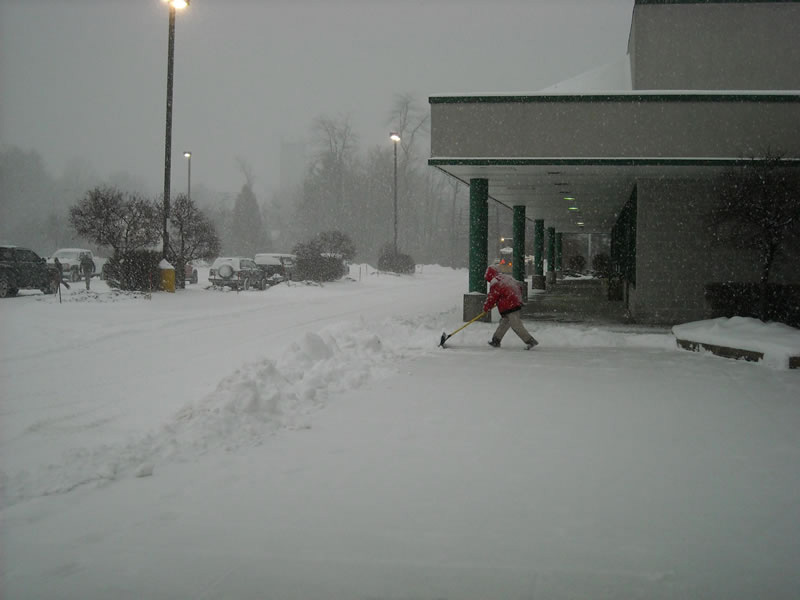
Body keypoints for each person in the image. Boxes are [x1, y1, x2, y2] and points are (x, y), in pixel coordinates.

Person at [482, 265, 538, 350]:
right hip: (514, 302)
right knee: (504, 323)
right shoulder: (506, 277)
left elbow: (492, 297)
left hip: (510, 306)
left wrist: (486, 307)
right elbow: (518, 286)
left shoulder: (495, 282)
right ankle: (496, 340)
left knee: (516, 325)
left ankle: (530, 341)